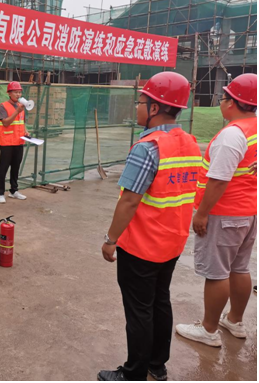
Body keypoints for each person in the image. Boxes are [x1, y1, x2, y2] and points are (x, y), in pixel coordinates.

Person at [98, 72, 201, 382]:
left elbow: (129, 201)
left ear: (155, 108)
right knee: (160, 301)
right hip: (173, 241)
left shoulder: (148, 147)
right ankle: (157, 365)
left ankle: (134, 373)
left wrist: (110, 239)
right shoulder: (190, 142)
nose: (137, 107)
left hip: (142, 246)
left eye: (140, 102)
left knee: (139, 310)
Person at [176, 73, 257, 347]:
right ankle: (234, 320)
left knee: (217, 273)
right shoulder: (254, 127)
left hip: (224, 213)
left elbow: (219, 179)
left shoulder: (233, 134)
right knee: (239, 268)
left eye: (223, 98)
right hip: (247, 212)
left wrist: (202, 213)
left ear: (232, 102)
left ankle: (208, 330)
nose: (221, 102)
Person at [0, 81, 30, 204]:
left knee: (16, 168)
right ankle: (0, 193)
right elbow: (5, 123)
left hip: (19, 142)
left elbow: (22, 122)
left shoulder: (21, 106)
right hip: (7, 143)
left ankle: (14, 191)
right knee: (3, 169)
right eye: (15, 92)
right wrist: (17, 111)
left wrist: (26, 131)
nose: (18, 94)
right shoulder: (3, 106)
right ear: (9, 93)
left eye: (19, 92)